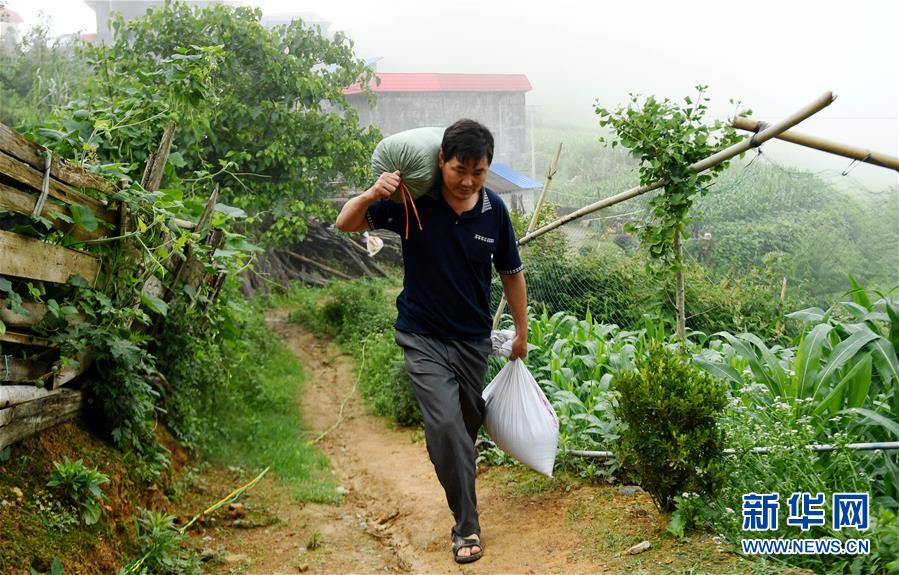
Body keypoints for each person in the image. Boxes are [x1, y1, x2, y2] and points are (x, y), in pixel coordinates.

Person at [336, 119, 528, 564]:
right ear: (441, 161)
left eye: (478, 172)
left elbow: (511, 274)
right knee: (445, 427)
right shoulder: (411, 203)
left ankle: (456, 455)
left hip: (472, 340)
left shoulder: (494, 211)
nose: (467, 182)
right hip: (421, 336)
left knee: (462, 426)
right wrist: (372, 193)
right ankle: (467, 526)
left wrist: (521, 331)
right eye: (459, 169)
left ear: (487, 170)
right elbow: (346, 223)